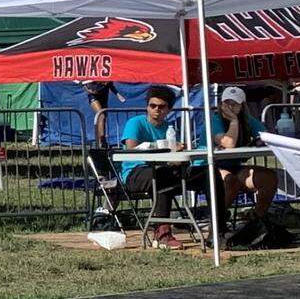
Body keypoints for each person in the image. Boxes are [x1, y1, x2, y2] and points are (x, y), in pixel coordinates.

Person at [203, 86, 283, 249]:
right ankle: (216, 223)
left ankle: (256, 220)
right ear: (221, 104)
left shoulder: (247, 120)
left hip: (234, 166)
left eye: (235, 104)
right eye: (227, 103)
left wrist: (260, 140)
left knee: (269, 178)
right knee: (230, 181)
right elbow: (229, 143)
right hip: (208, 168)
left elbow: (266, 136)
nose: (230, 107)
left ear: (242, 106)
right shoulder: (214, 119)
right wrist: (233, 121)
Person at [117, 85, 185, 249]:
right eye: (152, 106)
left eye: (161, 107)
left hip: (159, 171)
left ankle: (217, 227)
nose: (156, 110)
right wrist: (157, 146)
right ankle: (162, 232)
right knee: (162, 178)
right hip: (134, 172)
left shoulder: (169, 129)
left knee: (195, 173)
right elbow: (131, 149)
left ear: (168, 110)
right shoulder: (135, 123)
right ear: (147, 106)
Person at [81, 80, 126, 148]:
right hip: (94, 96)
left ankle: (101, 141)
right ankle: (102, 140)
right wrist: (89, 90)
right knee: (101, 115)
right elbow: (83, 83)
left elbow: (111, 85)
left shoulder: (107, 73)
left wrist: (118, 94)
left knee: (102, 119)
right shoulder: (93, 73)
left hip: (104, 95)